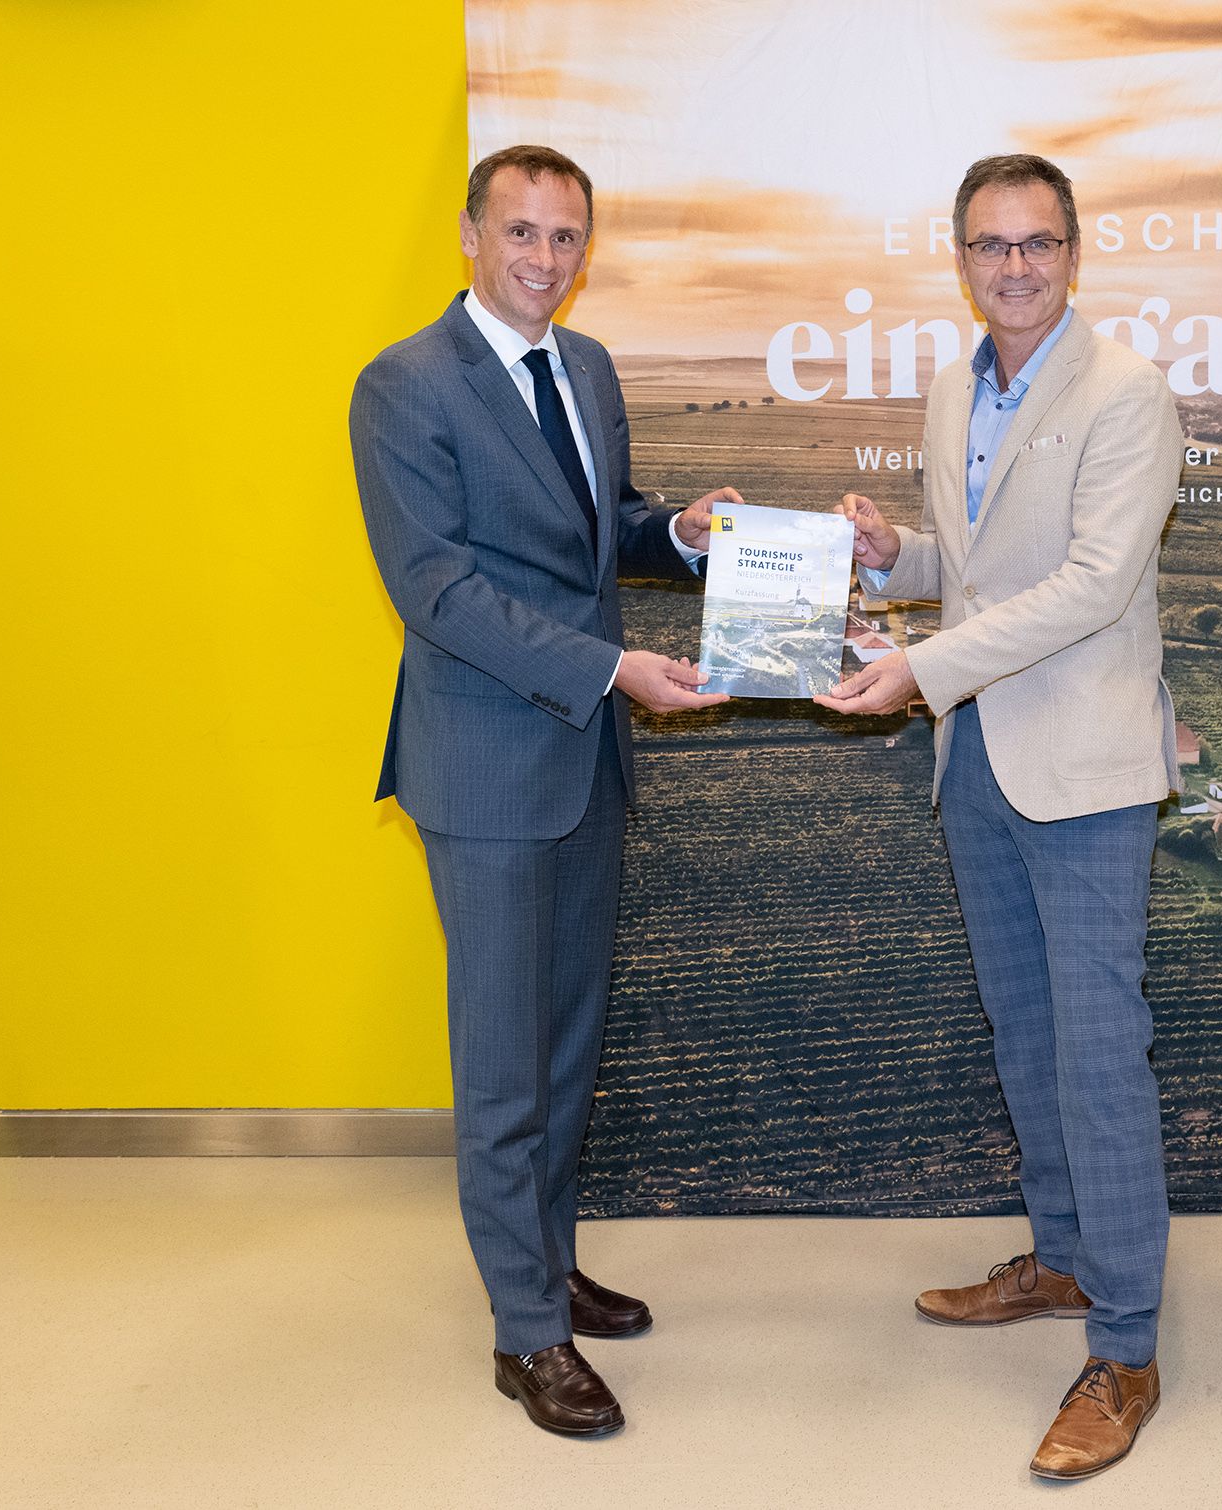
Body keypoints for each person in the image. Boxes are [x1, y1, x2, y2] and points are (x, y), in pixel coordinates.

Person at [351, 143, 739, 1438]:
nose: (544, 258)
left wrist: (676, 534)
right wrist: (612, 667)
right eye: (519, 232)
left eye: (566, 236)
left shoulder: (588, 368)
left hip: (583, 762)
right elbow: (439, 593)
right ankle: (525, 1332)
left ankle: (548, 1264)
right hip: (486, 769)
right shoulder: (404, 385)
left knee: (566, 1049)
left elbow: (597, 529)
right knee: (503, 1064)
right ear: (469, 235)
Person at [815, 153, 1183, 1482]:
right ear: (961, 259)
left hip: (1080, 766)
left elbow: (1093, 585)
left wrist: (919, 665)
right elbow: (975, 571)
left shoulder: (1126, 392)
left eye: (1036, 244)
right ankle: (1064, 1259)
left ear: (1072, 254)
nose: (1013, 267)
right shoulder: (952, 388)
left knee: (1099, 1051)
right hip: (975, 755)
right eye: (990, 245)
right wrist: (895, 560)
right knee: (1025, 1033)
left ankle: (1126, 1347)